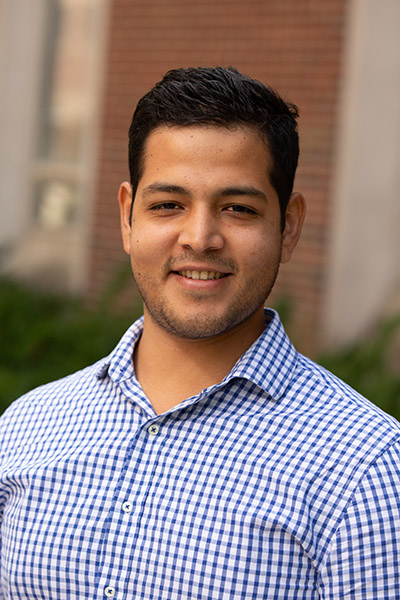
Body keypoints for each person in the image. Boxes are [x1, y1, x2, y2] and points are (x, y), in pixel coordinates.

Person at [0, 67, 399, 599]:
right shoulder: (25, 428)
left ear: (288, 226)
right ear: (127, 217)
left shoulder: (366, 469)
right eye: (168, 205)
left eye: (238, 209)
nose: (200, 238)